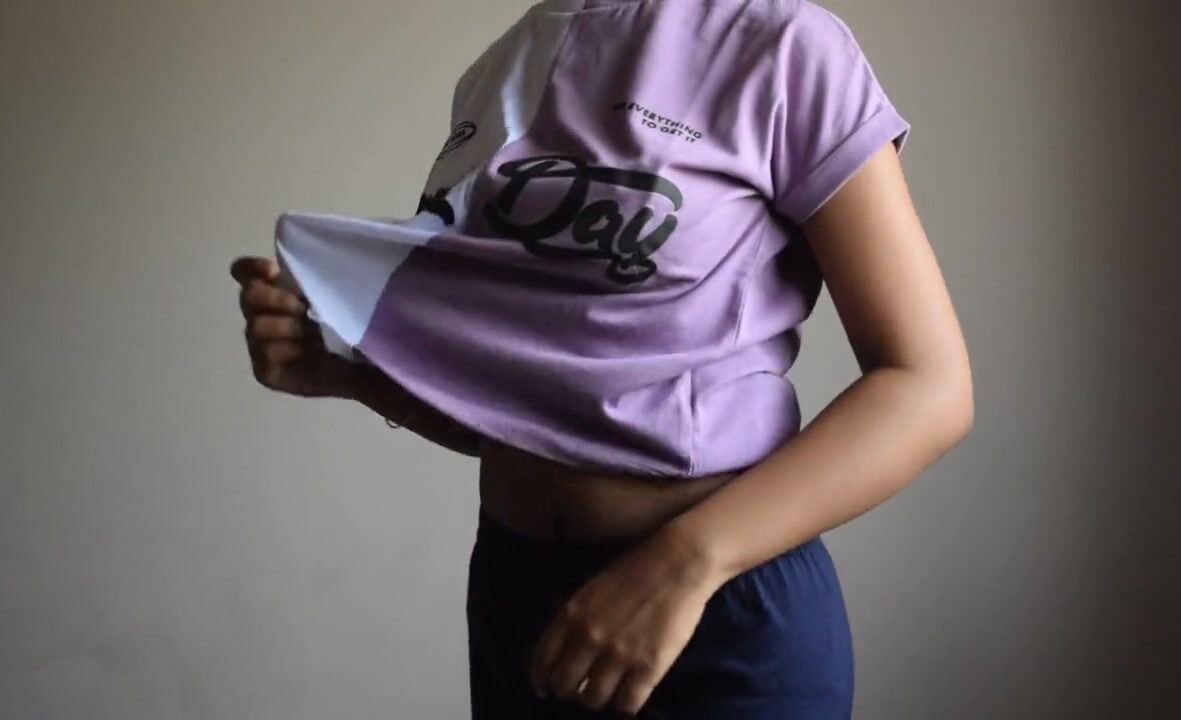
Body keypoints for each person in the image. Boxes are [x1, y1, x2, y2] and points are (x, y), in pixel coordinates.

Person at [230, 0, 973, 717]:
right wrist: (360, 379)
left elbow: (927, 386)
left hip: (709, 610)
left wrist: (682, 565)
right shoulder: (498, 69)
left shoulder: (783, 46)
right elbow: (540, 404)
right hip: (519, 603)